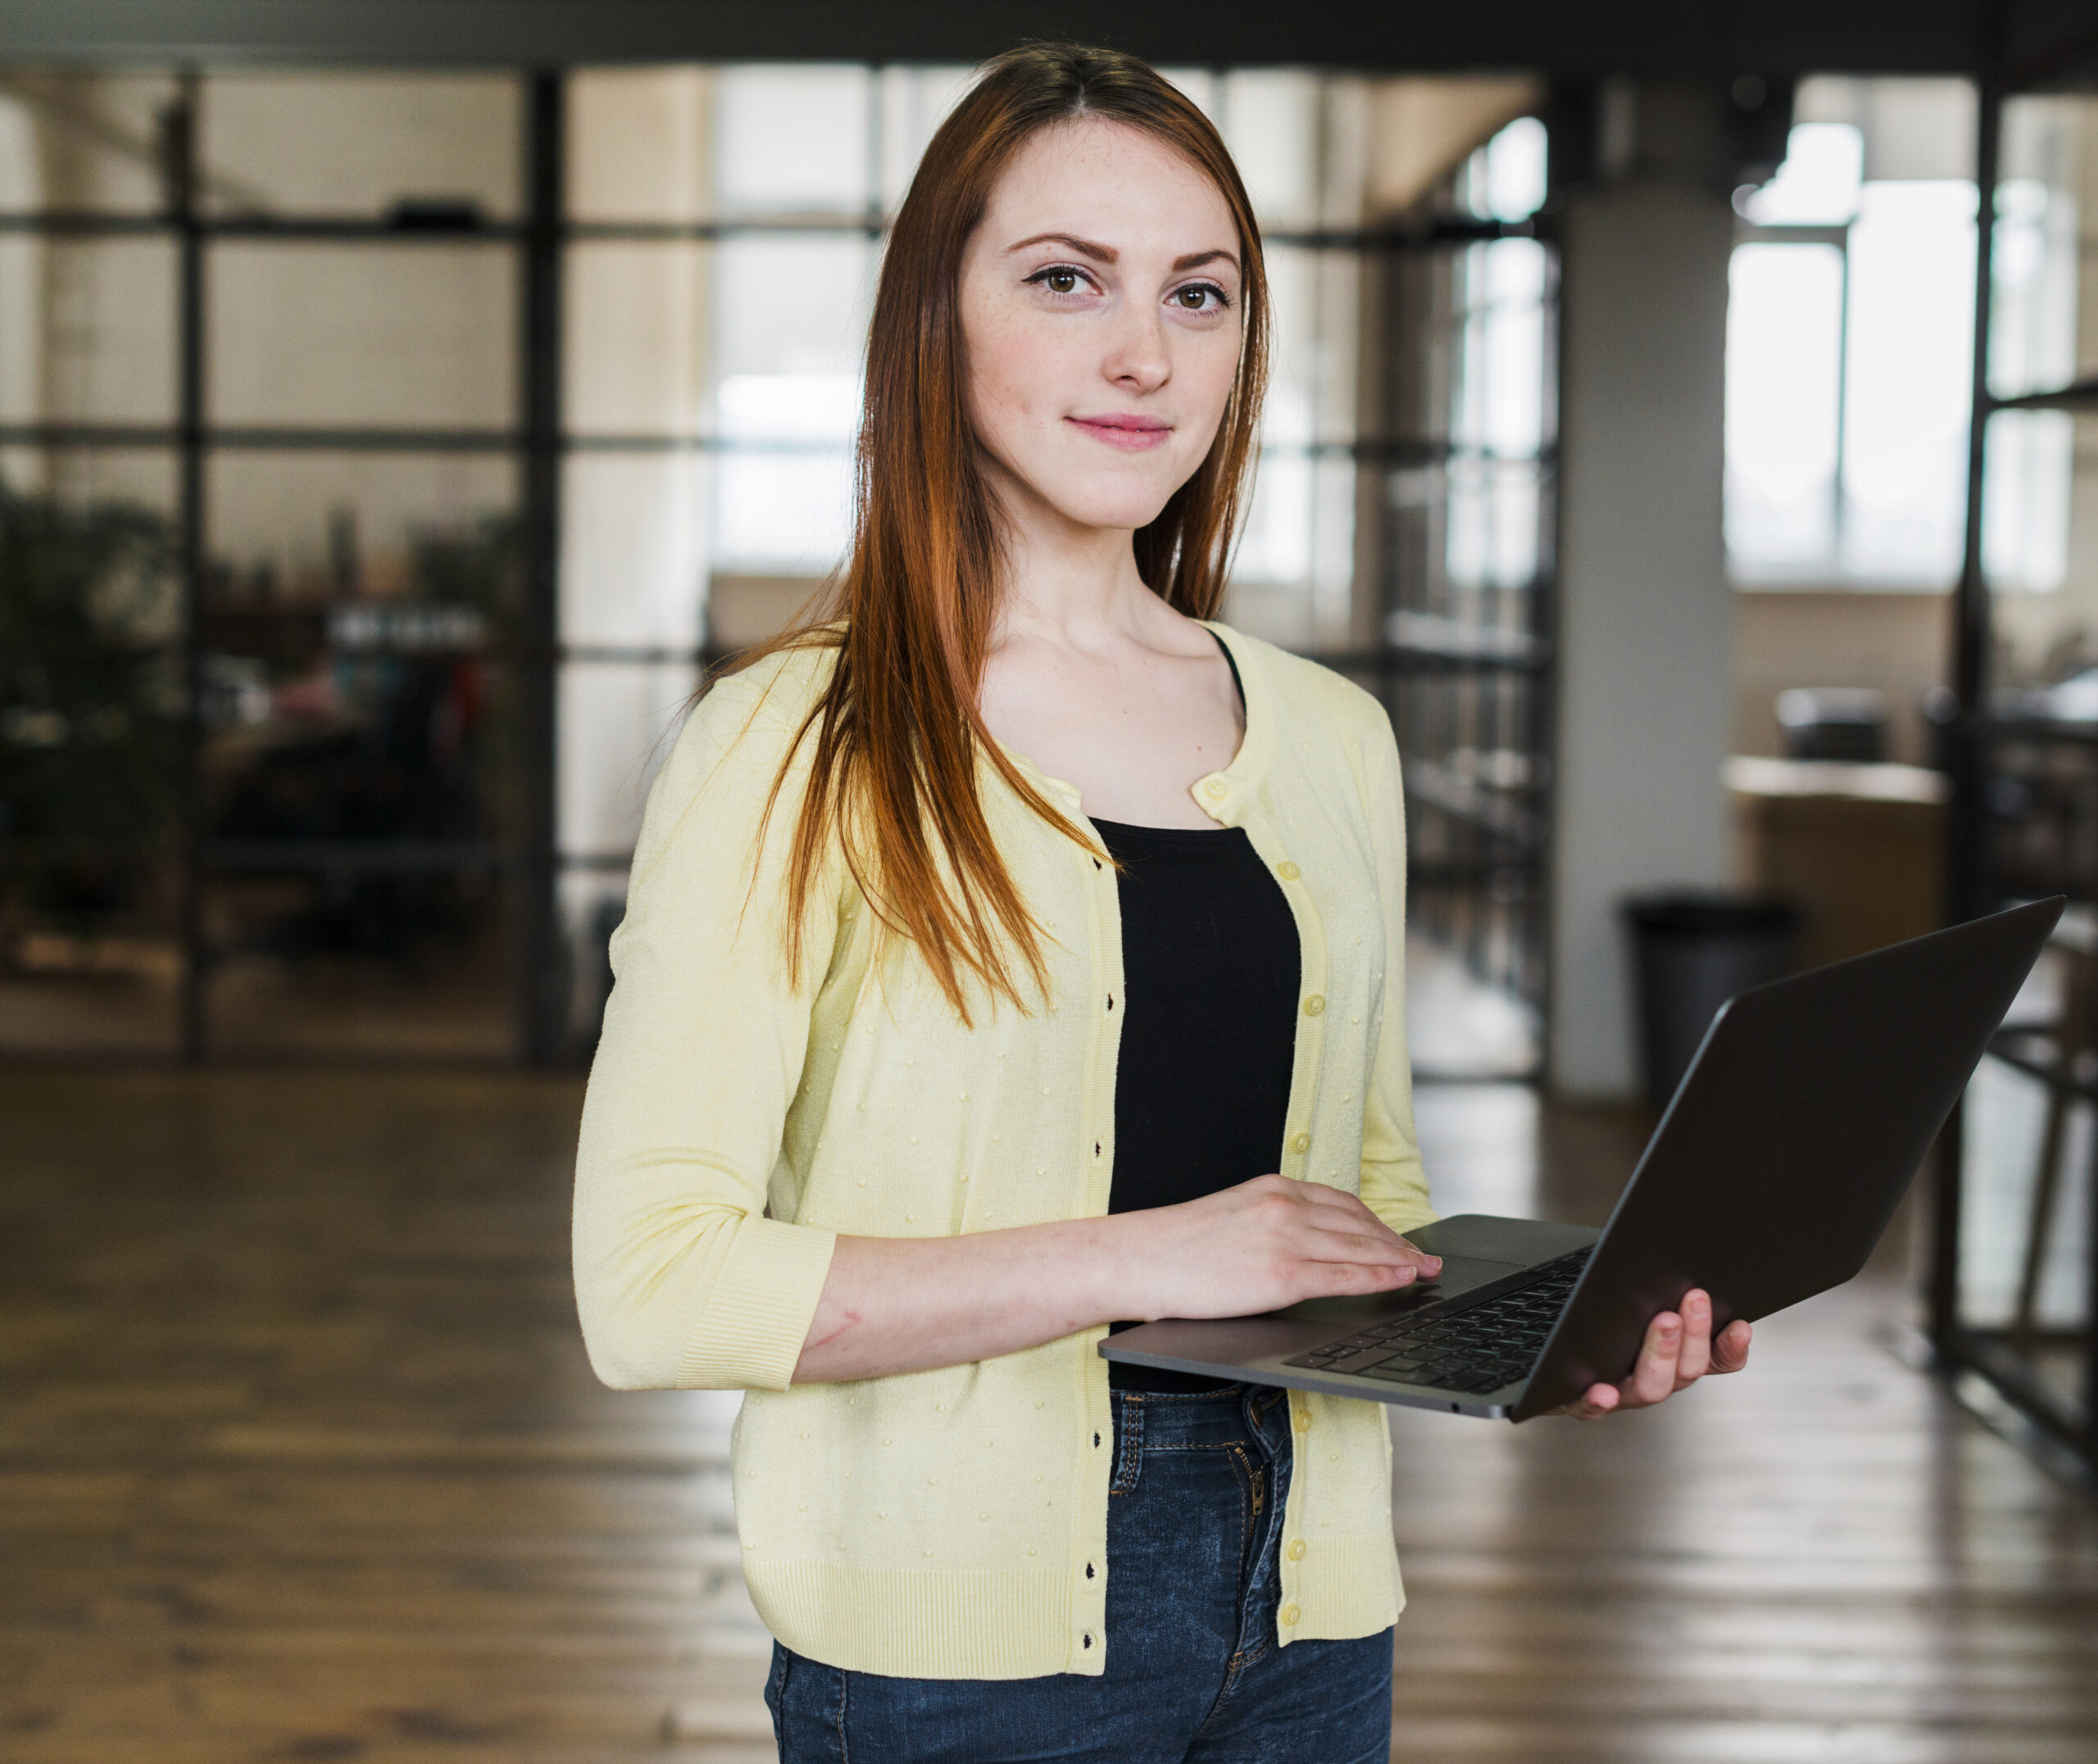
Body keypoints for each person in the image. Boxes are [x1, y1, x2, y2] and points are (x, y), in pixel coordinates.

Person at [573, 42, 1751, 1764]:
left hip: (1313, 1604)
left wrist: (1537, 1339)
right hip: (954, 1651)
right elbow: (654, 1284)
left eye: (1199, 295)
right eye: (1065, 281)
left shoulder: (1327, 738)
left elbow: (1358, 1199)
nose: (1145, 353)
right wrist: (1154, 1258)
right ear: (935, 322)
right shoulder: (792, 744)